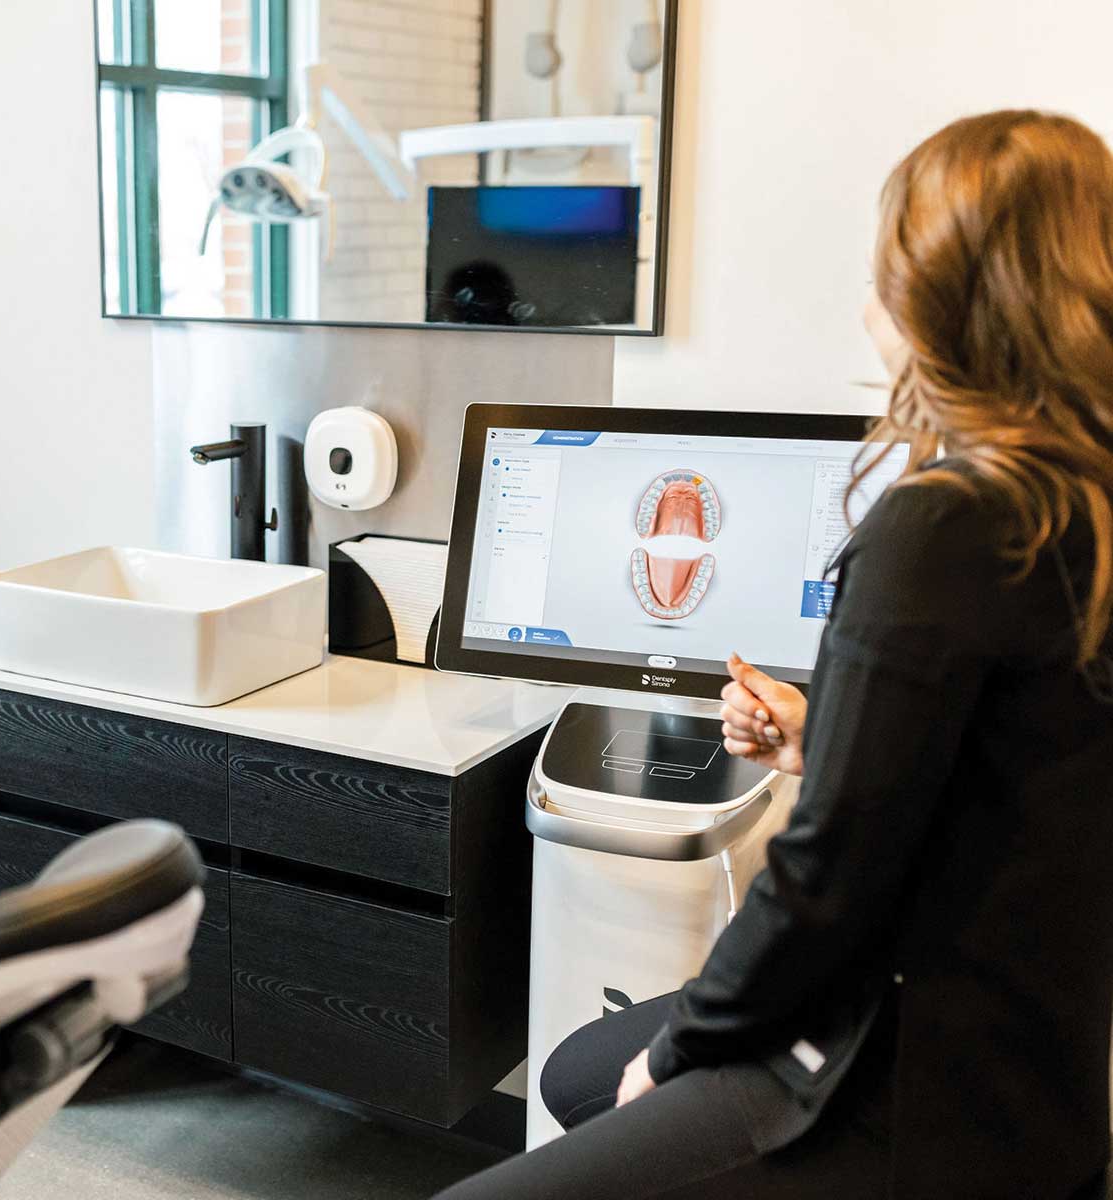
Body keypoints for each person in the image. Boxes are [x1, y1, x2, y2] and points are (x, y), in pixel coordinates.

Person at [435, 109, 1113, 1199]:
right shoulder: (1079, 504)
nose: (868, 310)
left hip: (907, 1076)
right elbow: (1029, 782)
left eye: (888, 280)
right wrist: (829, 736)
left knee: (593, 1091)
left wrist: (682, 1051)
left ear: (947, 302)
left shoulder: (944, 523)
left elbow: (828, 881)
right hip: (1045, 1063)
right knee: (576, 1065)